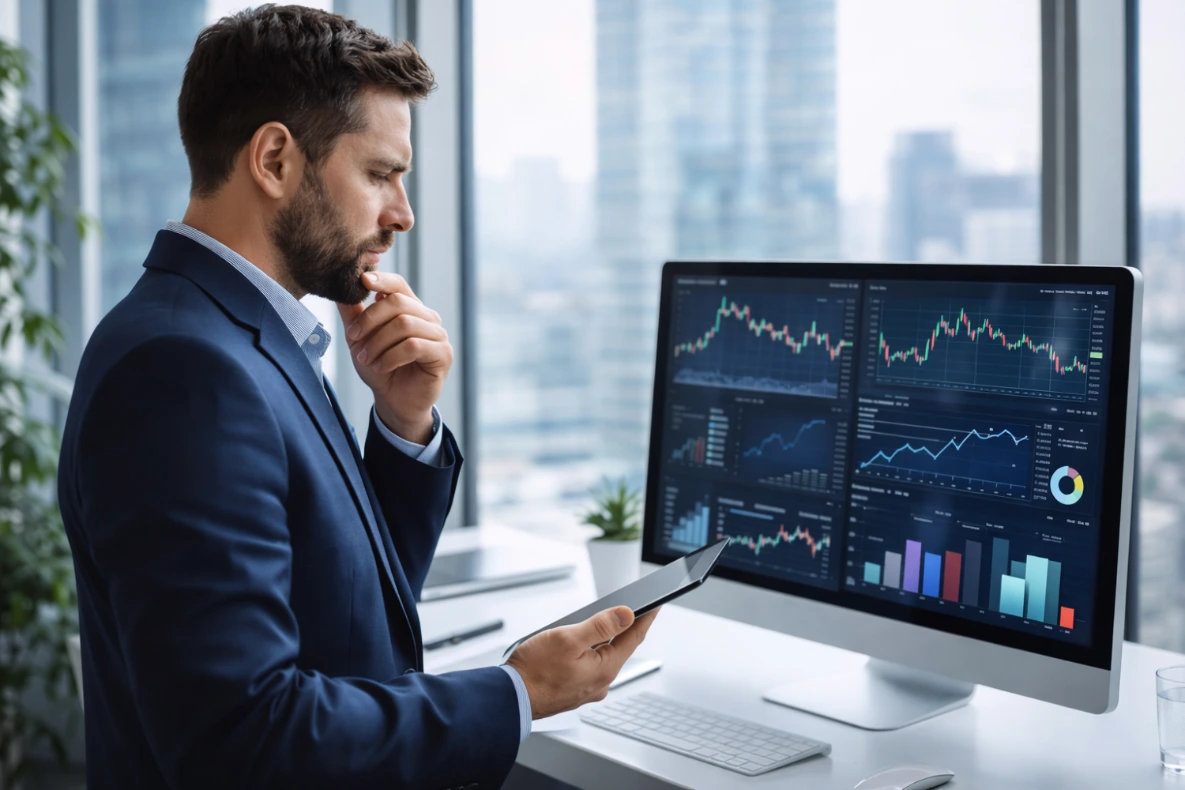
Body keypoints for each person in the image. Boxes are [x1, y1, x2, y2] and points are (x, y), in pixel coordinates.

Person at [56, 6, 657, 788]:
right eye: (379, 175)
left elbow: (343, 617)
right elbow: (242, 739)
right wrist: (518, 692)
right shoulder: (184, 373)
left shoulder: (235, 336)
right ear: (274, 159)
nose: (402, 213)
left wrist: (403, 421)